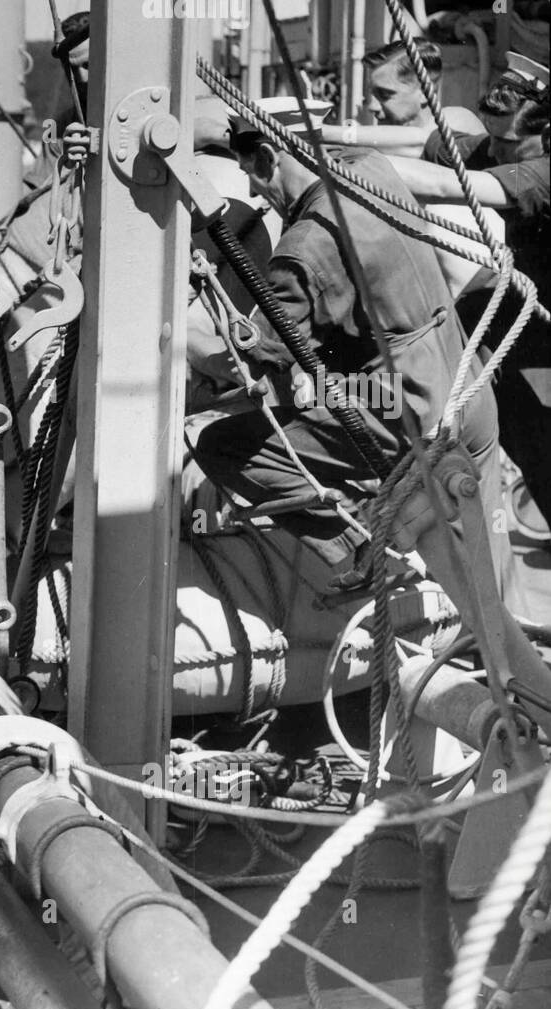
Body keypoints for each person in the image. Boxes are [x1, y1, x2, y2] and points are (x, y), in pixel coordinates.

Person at [193, 98, 507, 593]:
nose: (256, 193)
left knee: (221, 445)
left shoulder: (301, 252)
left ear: (271, 159)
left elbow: (255, 364)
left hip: (411, 415)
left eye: (253, 176)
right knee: (487, 575)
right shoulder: (372, 171)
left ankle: (360, 546)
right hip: (471, 395)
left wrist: (198, 353)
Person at [387, 53, 551, 528]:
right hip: (526, 311)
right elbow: (431, 141)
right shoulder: (506, 148)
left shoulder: (544, 173)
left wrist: (342, 169)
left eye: (506, 143)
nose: (494, 151)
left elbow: (449, 182)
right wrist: (332, 139)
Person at [320, 38, 485, 156]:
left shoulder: (457, 119)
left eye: (384, 94)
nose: (372, 106)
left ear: (425, 92)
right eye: (372, 94)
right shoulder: (387, 142)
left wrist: (324, 133)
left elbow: (422, 143)